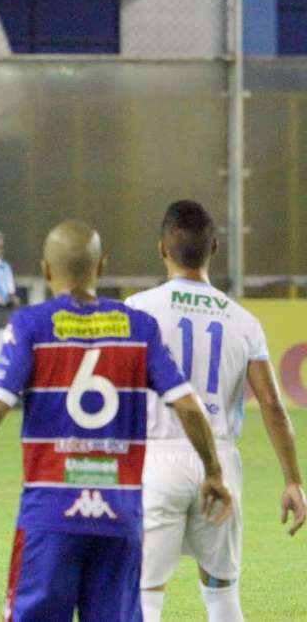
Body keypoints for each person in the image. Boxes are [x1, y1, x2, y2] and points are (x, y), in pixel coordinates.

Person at [0, 220, 233, 622]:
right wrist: (213, 472)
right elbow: (189, 406)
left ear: (46, 269)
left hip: (50, 516)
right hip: (119, 517)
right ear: (102, 267)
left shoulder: (30, 326)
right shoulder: (139, 328)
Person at [125, 200, 306, 622]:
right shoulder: (242, 321)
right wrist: (293, 480)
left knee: (146, 597)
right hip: (219, 463)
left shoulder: (138, 309)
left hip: (157, 459)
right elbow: (273, 407)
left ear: (162, 250)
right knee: (222, 596)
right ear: (215, 249)